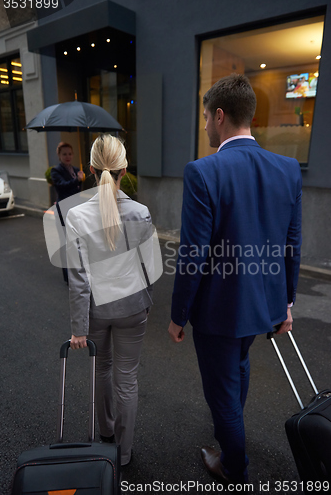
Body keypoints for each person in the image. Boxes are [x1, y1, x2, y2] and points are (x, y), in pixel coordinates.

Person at [168, 74, 302, 484]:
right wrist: (287, 305)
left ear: (220, 116)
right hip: (263, 306)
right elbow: (292, 244)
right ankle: (232, 437)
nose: (205, 124)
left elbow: (193, 252)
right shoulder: (288, 168)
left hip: (219, 312)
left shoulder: (203, 172)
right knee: (238, 367)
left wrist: (178, 315)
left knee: (222, 392)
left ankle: (234, 467)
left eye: (206, 116)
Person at [65, 134, 153, 467]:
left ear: (89, 169)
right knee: (126, 378)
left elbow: (78, 277)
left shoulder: (76, 216)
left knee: (102, 369)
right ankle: (125, 453)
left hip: (97, 311)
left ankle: (105, 434)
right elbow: (148, 266)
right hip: (133, 307)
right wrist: (147, 301)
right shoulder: (141, 213)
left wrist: (78, 328)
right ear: (124, 169)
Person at [51, 142, 85, 284]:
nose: (67, 156)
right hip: (63, 211)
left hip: (75, 210)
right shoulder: (56, 171)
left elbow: (75, 191)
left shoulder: (76, 170)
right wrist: (76, 180)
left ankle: (78, 272)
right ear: (59, 155)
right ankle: (68, 277)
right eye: (64, 154)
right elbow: (62, 187)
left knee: (77, 243)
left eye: (70, 153)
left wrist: (80, 180)